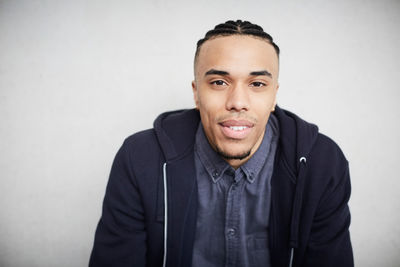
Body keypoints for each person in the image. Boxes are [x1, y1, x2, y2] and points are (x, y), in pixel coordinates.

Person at [89, 20, 353, 267]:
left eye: (257, 83)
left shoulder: (322, 164)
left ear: (274, 96)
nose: (237, 101)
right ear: (196, 93)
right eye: (218, 82)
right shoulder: (139, 159)